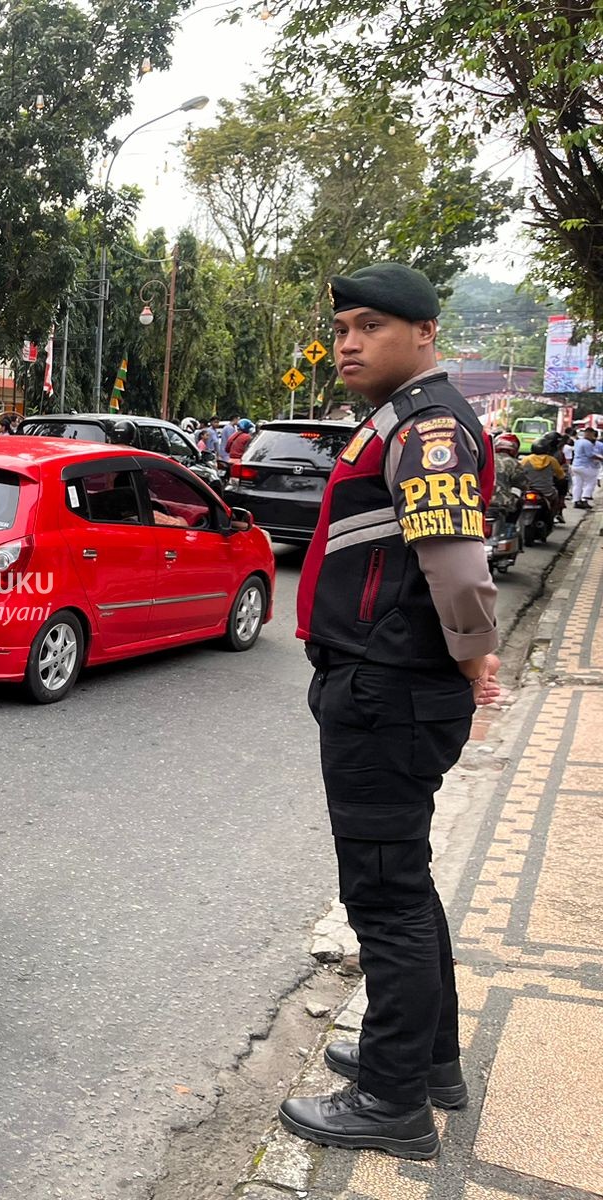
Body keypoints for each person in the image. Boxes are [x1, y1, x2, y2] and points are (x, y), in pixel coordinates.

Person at [283, 262, 501, 1161]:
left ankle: (392, 1103)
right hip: (390, 687)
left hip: (389, 691)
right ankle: (425, 1062)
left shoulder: (431, 424)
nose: (347, 342)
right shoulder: (404, 419)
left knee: (386, 898)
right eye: (340, 327)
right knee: (403, 886)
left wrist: (476, 656)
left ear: (423, 332)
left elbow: (455, 563)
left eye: (369, 325)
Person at [521, 433, 568, 523]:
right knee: (556, 496)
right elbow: (561, 476)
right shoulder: (552, 460)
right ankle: (554, 514)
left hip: (528, 490)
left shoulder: (525, 459)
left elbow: (519, 472)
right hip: (547, 492)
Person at [569, 425, 598, 508]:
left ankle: (576, 501)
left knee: (578, 484)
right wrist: (600, 458)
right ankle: (584, 499)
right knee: (591, 482)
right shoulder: (588, 443)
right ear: (590, 434)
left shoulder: (578, 442)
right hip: (585, 466)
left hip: (575, 465)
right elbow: (590, 455)